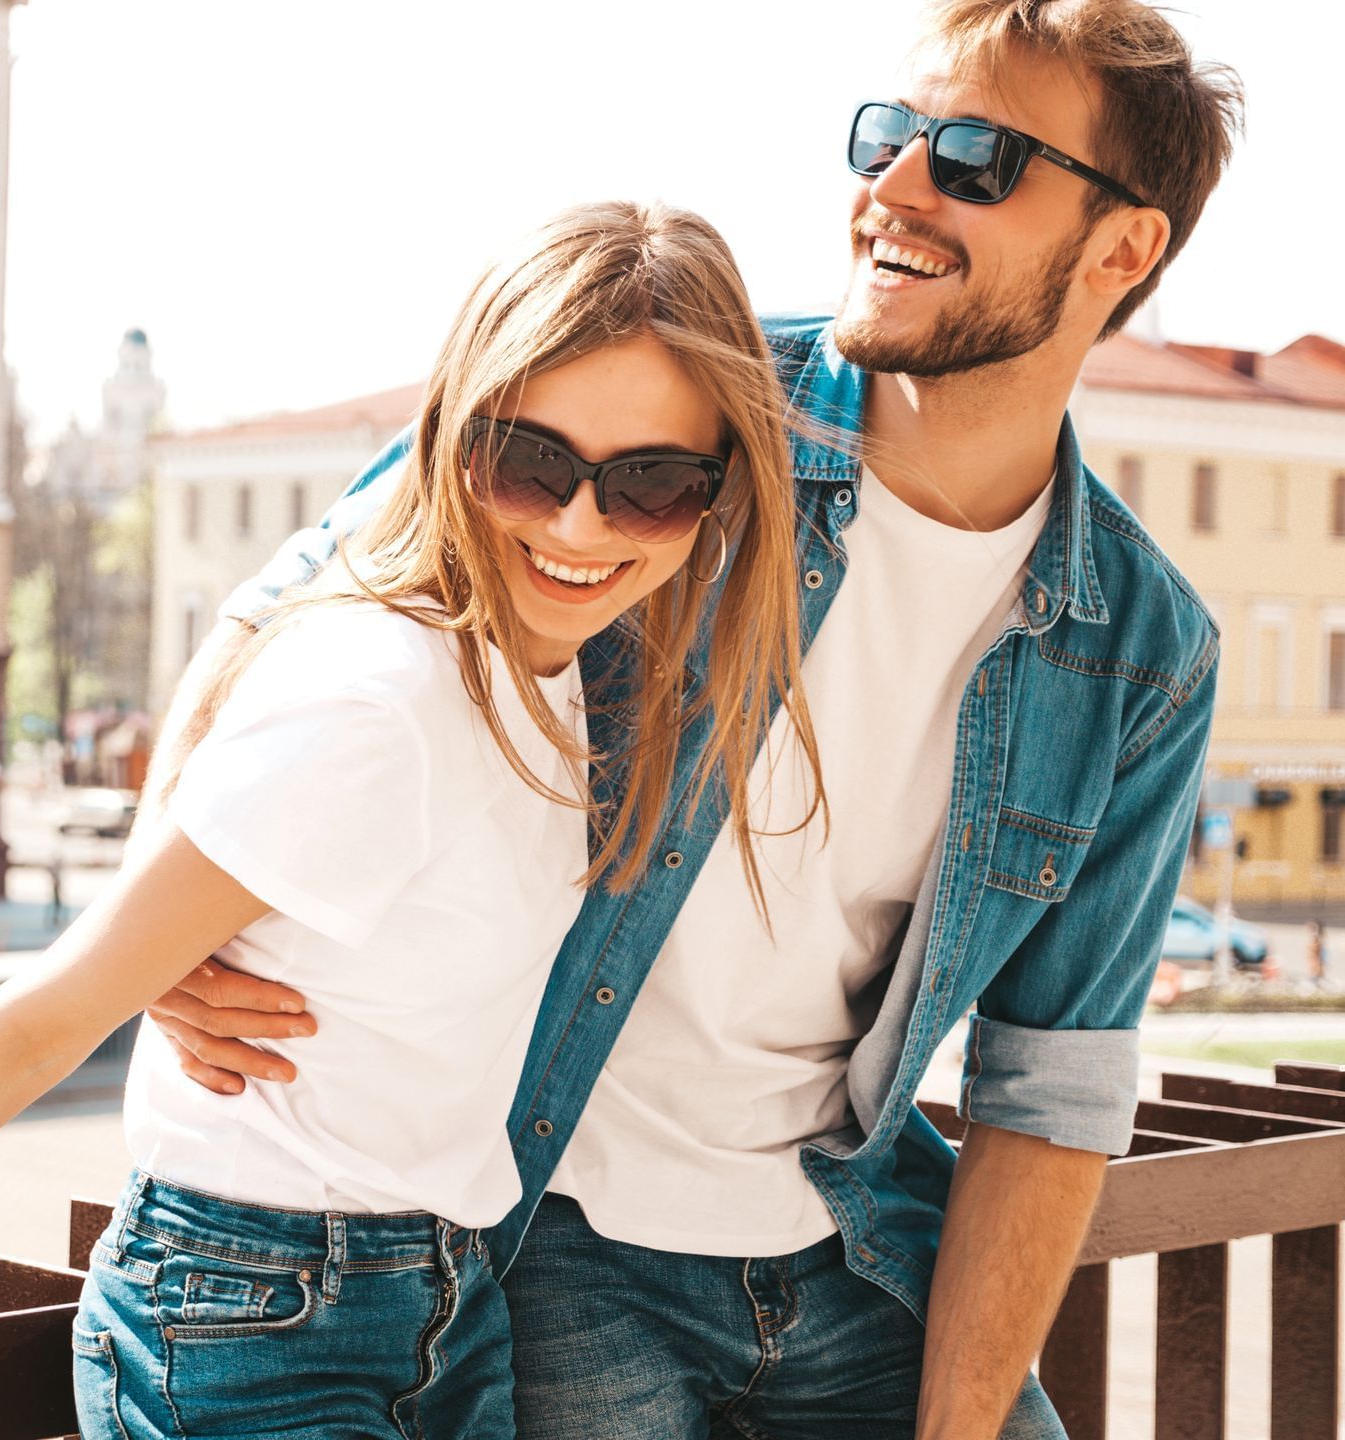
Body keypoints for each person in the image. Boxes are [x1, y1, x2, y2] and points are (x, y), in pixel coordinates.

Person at [0, 201, 818, 1440]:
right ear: (454, 441)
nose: (583, 524)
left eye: (650, 482)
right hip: (255, 1316)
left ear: (717, 495)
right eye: (530, 462)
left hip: (444, 1304)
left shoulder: (557, 667)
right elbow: (44, 1018)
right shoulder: (378, 694)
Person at [145, 2, 1243, 1435]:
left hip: (855, 1246)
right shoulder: (696, 409)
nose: (895, 187)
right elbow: (292, 601)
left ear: (1122, 248)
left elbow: (1051, 1084)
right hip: (558, 1229)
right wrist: (150, 923)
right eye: (889, 137)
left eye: (976, 157)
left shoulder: (1144, 651)